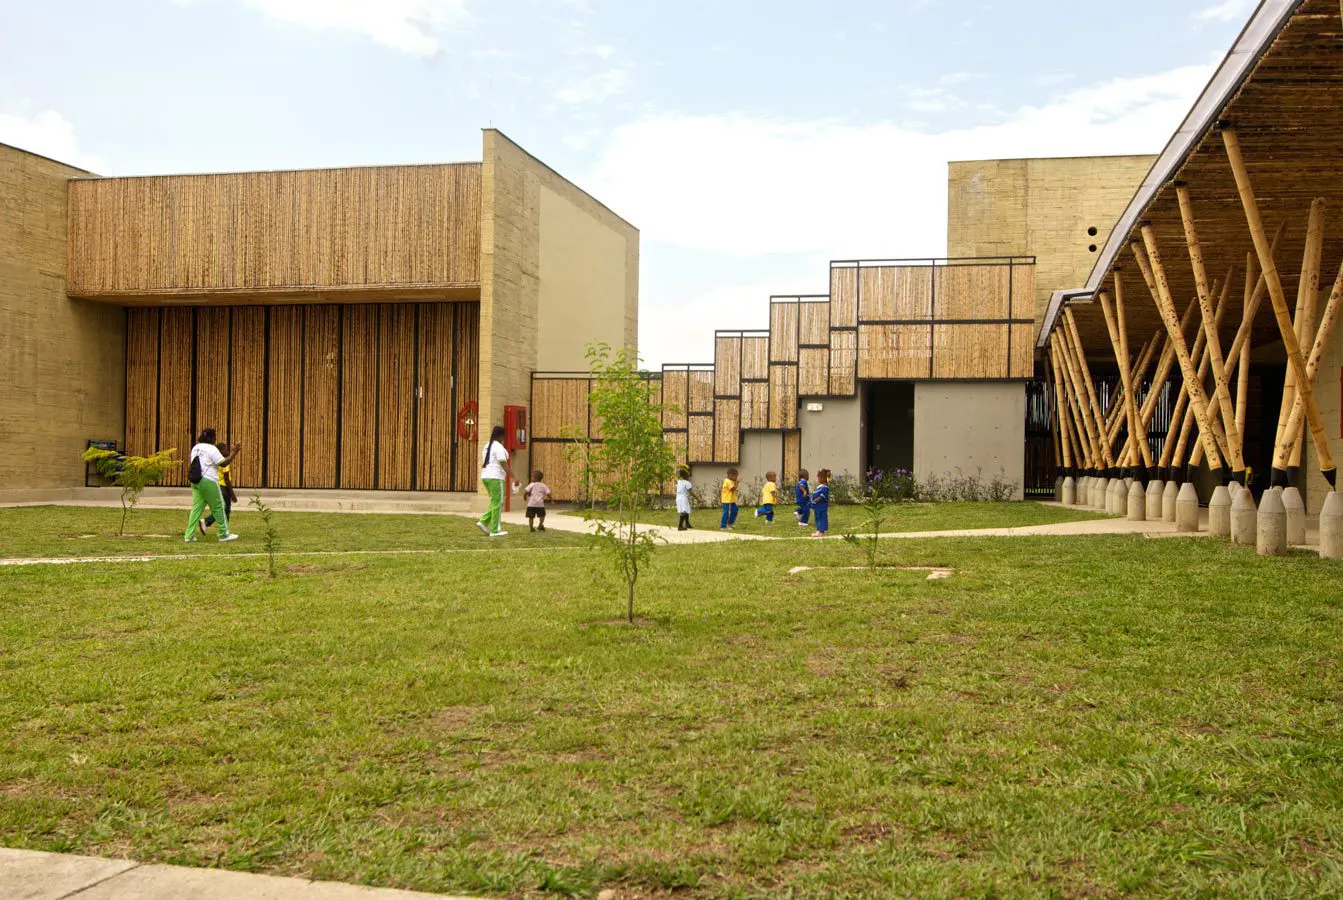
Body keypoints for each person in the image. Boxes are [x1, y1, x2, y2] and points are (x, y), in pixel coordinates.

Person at [183, 428, 241, 543]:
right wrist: (234, 452)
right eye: (214, 437)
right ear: (211, 438)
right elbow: (224, 463)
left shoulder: (196, 447)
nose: (215, 439)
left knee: (196, 508)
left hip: (195, 480)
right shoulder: (212, 449)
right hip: (209, 481)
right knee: (219, 506)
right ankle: (223, 534)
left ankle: (189, 536)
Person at [476, 425, 510, 537]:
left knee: (496, 502)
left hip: (485, 476)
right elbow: (503, 462)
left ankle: (483, 521)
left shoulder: (487, 446)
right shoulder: (498, 446)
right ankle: (495, 530)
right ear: (501, 436)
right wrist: (513, 476)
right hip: (496, 476)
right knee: (498, 503)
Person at [199, 439, 237, 535]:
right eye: (226, 449)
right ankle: (215, 525)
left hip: (217, 486)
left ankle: (208, 522)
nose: (228, 451)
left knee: (222, 509)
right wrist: (232, 494)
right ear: (220, 451)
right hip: (223, 487)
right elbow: (226, 479)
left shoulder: (216, 461)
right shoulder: (224, 462)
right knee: (226, 510)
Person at [811, 468, 831, 538]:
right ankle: (818, 530)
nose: (818, 479)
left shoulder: (825, 487)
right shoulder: (819, 486)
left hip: (821, 507)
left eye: (819, 477)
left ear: (823, 478)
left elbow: (822, 497)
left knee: (822, 518)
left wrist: (815, 500)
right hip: (817, 507)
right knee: (817, 518)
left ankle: (821, 531)